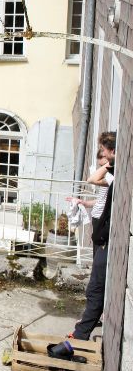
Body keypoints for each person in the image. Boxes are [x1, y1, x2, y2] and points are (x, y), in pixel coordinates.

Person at [66, 131, 116, 342]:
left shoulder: (114, 173)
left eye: (105, 152)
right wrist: (84, 203)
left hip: (106, 240)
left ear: (112, 152)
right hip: (102, 236)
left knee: (95, 288)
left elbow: (92, 179)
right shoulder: (114, 174)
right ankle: (83, 329)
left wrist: (111, 162)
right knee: (96, 286)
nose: (103, 157)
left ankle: (80, 334)